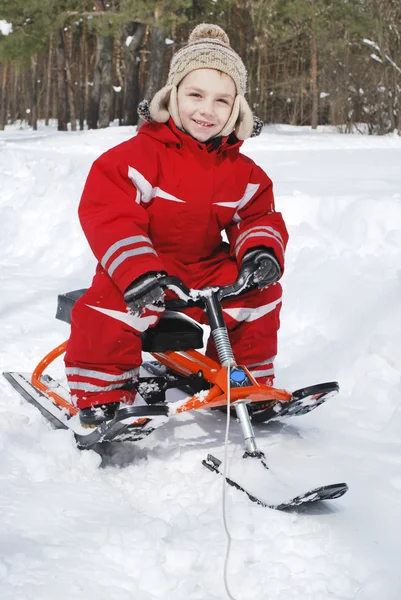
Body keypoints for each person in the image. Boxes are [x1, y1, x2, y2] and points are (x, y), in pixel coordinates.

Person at [65, 23, 289, 426]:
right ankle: (102, 396)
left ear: (237, 110)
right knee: (107, 310)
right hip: (143, 265)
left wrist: (260, 252)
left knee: (259, 297)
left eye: (222, 100)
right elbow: (109, 214)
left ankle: (245, 381)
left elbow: (258, 215)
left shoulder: (244, 172)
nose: (208, 110)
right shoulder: (135, 158)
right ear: (171, 97)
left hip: (204, 264)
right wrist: (137, 270)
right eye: (196, 95)